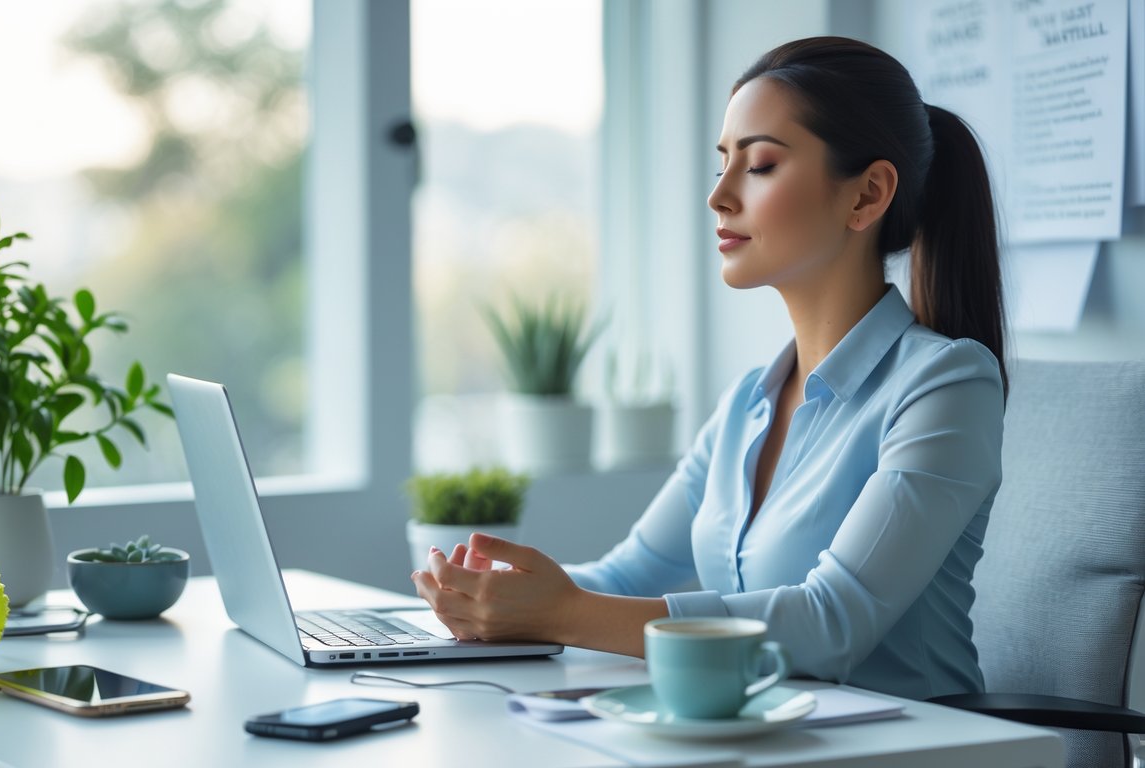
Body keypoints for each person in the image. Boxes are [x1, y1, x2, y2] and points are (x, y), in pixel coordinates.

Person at [411, 36, 1007, 701]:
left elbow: (832, 623)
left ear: (866, 195)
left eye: (758, 166)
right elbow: (624, 576)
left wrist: (559, 612)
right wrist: (491, 596)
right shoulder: (746, 405)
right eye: (722, 163)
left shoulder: (946, 384)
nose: (718, 196)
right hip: (771, 738)